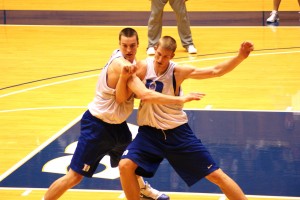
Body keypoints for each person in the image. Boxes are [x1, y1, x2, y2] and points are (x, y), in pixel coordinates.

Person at [43, 28, 202, 200]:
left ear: (138, 45)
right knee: (75, 176)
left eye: (132, 46)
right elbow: (143, 95)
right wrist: (180, 99)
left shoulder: (133, 65)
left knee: (130, 162)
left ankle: (143, 189)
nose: (128, 50)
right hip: (97, 127)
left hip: (118, 128)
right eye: (125, 45)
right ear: (119, 45)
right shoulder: (121, 65)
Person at [118, 36, 254, 200]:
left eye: (165, 56)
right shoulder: (143, 67)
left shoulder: (177, 72)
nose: (160, 59)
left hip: (177, 134)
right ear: (155, 51)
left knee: (216, 176)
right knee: (125, 165)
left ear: (172, 56)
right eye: (158, 54)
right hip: (150, 134)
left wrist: (240, 56)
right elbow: (132, 89)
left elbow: (215, 71)